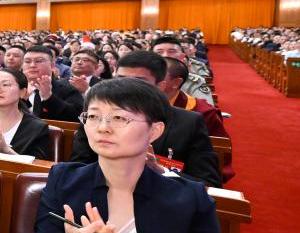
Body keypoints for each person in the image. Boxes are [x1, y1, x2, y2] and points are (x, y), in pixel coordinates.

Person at [30, 77, 228, 233]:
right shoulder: (65, 179)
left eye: (119, 118)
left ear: (154, 131)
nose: (103, 127)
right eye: (93, 116)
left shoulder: (190, 199)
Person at [69, 51, 221, 187]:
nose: (125, 88)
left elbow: (208, 183)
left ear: (160, 86)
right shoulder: (96, 117)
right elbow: (78, 166)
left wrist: (160, 170)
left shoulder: (188, 122)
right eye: (120, 80)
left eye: (138, 81)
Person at [22, 45, 84, 122]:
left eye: (38, 61)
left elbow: (77, 117)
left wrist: (48, 97)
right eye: (27, 61)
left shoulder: (68, 89)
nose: (32, 65)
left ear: (52, 65)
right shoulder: (15, 88)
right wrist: (22, 100)